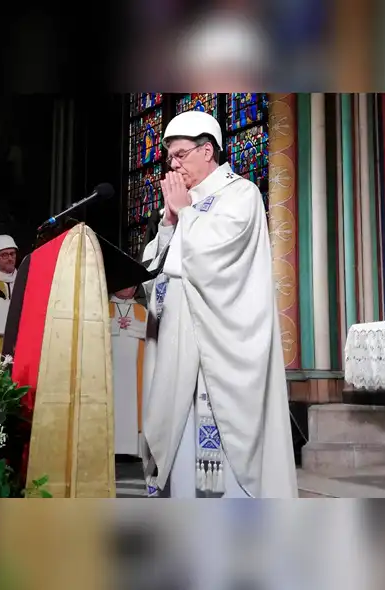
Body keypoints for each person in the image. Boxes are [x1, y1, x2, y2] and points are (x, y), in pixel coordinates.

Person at [141, 110, 298, 498]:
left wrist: (184, 214)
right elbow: (157, 271)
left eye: (179, 155)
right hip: (179, 345)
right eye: (170, 158)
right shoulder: (185, 202)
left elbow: (216, 259)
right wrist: (168, 224)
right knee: (180, 441)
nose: (173, 166)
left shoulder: (240, 194)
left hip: (220, 349)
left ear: (207, 150)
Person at [110, 285, 147, 458]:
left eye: (132, 285)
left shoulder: (142, 310)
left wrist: (133, 327)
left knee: (133, 402)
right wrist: (115, 325)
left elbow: (151, 331)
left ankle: (134, 450)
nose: (127, 288)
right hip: (111, 370)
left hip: (134, 371)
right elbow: (94, 329)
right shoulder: (103, 306)